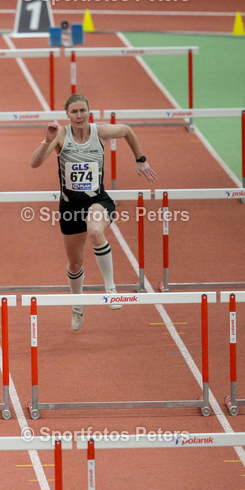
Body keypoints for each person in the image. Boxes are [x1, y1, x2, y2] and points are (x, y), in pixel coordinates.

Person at [29, 93, 157, 330]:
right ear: (67, 114)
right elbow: (34, 163)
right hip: (70, 207)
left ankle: (111, 289)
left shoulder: (100, 132)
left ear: (89, 112)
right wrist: (47, 140)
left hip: (97, 200)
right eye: (74, 111)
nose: (79, 115)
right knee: (75, 263)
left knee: (96, 232)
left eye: (82, 111)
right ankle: (77, 305)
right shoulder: (61, 135)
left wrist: (141, 159)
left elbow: (127, 130)